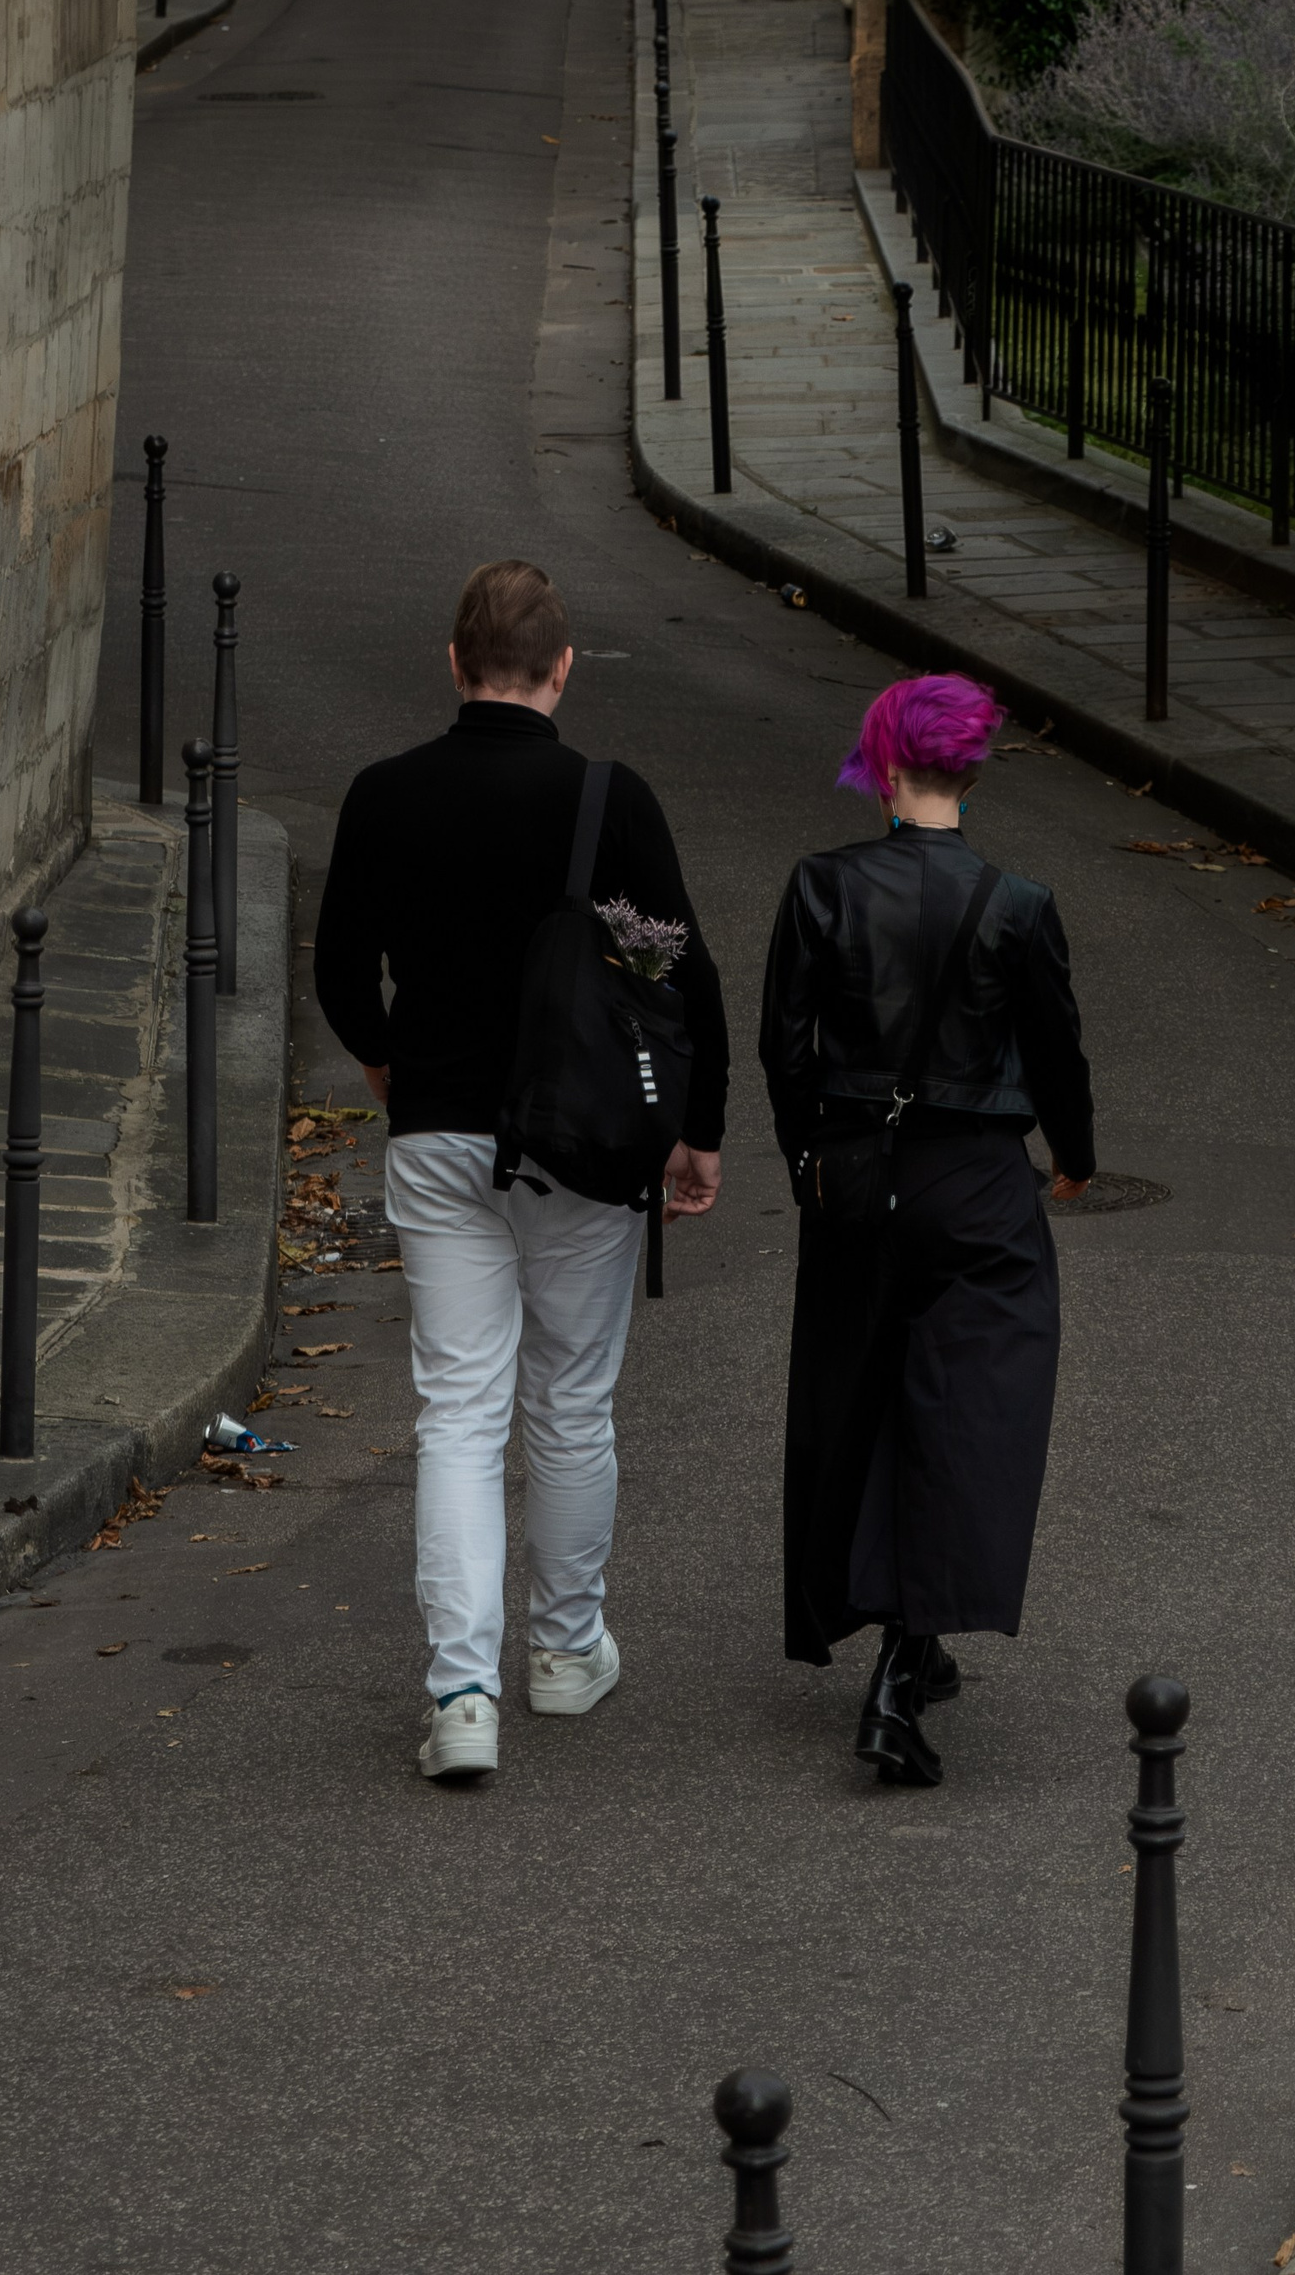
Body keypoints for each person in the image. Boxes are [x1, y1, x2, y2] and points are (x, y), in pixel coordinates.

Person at [314, 559, 727, 1785]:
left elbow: (343, 967)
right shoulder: (607, 803)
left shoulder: (385, 795)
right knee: (571, 1400)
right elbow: (677, 970)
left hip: (441, 1133)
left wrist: (390, 1067)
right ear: (561, 668)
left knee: (456, 1410)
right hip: (584, 1146)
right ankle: (561, 1648)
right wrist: (695, 1127)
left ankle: (460, 1694)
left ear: (453, 661)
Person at [760, 674, 1094, 1787]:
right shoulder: (1019, 903)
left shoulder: (820, 884)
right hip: (980, 1184)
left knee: (863, 1390)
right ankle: (907, 1662)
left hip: (859, 1177)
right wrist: (1076, 1157)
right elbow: (1055, 1055)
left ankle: (902, 1629)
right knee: (971, 1408)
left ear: (887, 766)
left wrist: (808, 1156)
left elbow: (785, 1045)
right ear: (968, 768)